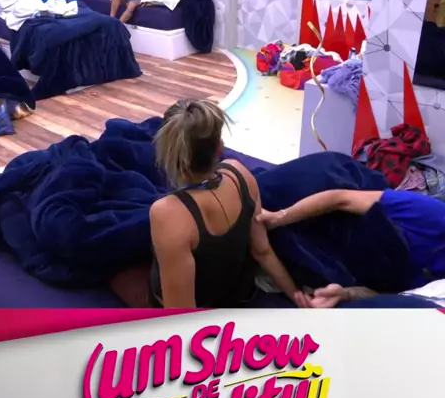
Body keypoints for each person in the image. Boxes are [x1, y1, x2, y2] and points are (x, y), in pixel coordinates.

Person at [148, 99, 312, 309]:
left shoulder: (167, 212)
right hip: (236, 294)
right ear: (219, 147)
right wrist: (296, 294)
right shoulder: (239, 173)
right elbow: (262, 251)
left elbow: (180, 313)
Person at [257, 187, 445, 307]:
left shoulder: (437, 288)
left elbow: (387, 296)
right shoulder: (432, 214)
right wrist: (279, 217)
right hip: (309, 212)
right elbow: (342, 198)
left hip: (324, 265)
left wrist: (346, 294)